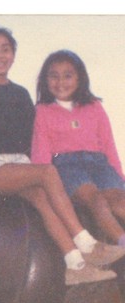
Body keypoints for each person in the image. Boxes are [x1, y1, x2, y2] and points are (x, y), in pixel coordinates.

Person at [0, 26, 125, 286]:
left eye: (5, 49)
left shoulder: (21, 94)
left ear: (13, 55)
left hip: (18, 166)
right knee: (47, 171)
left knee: (43, 198)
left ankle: (75, 264)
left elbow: (30, 143)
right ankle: (86, 242)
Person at [32, 49, 125, 246]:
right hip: (67, 165)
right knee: (96, 199)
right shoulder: (42, 110)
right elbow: (41, 151)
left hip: (100, 164)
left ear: (79, 78)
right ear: (45, 80)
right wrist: (44, 184)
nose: (61, 82)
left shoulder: (94, 107)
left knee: (120, 200)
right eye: (54, 76)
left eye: (68, 75)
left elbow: (109, 146)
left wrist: (119, 177)